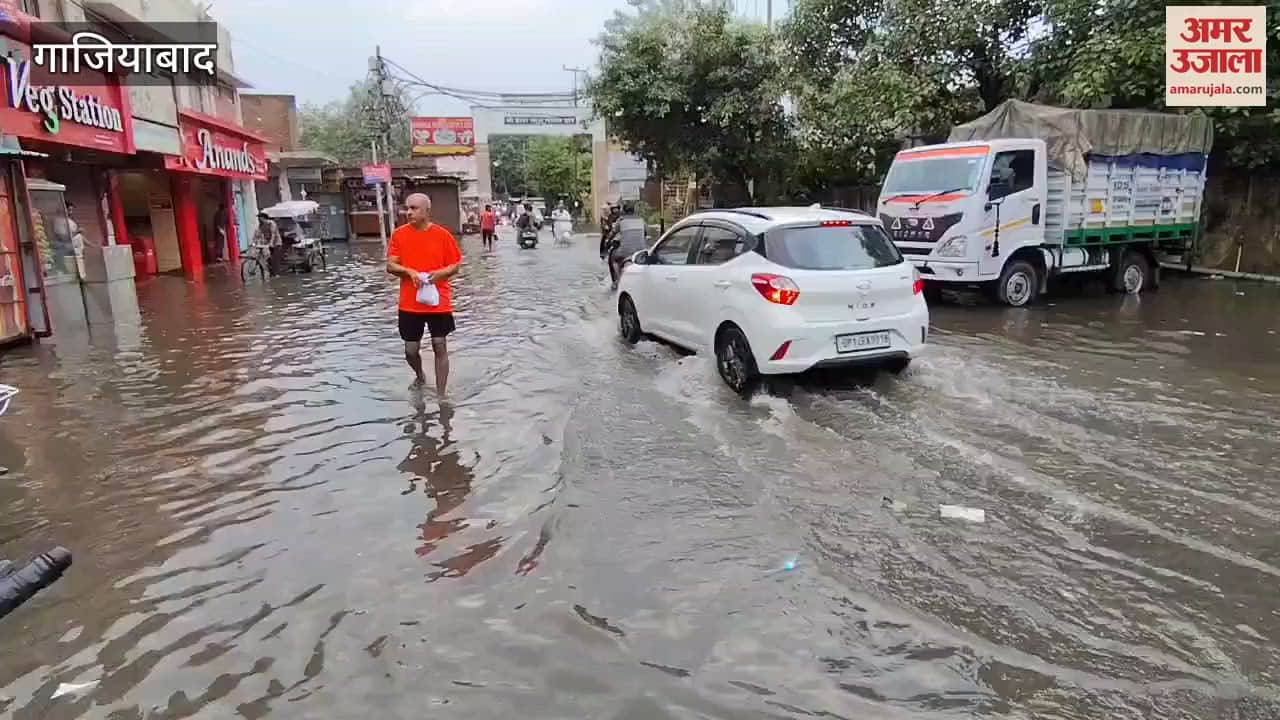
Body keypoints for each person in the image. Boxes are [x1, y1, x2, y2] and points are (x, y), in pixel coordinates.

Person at [386, 193, 463, 396]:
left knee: (440, 344)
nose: (408, 212)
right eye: (407, 208)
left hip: (439, 301)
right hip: (410, 303)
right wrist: (409, 271)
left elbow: (455, 265)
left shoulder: (442, 235)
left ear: (427, 211)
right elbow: (391, 265)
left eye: (414, 208)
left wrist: (440, 274)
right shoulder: (399, 235)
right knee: (410, 350)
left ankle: (441, 394)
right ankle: (420, 375)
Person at [607, 201, 647, 287]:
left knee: (613, 258)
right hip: (641, 251)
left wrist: (608, 241)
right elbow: (645, 233)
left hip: (625, 252)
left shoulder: (621, 220)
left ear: (623, 211)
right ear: (634, 211)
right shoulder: (641, 220)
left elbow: (612, 233)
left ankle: (618, 280)